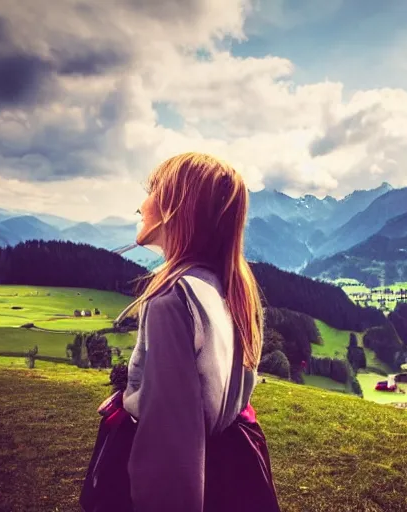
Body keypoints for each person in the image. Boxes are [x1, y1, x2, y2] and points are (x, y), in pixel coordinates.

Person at [115, 152, 281, 512]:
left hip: (197, 481)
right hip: (234, 469)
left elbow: (171, 447)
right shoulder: (223, 286)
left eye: (153, 191)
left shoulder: (172, 302)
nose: (141, 205)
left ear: (177, 209)